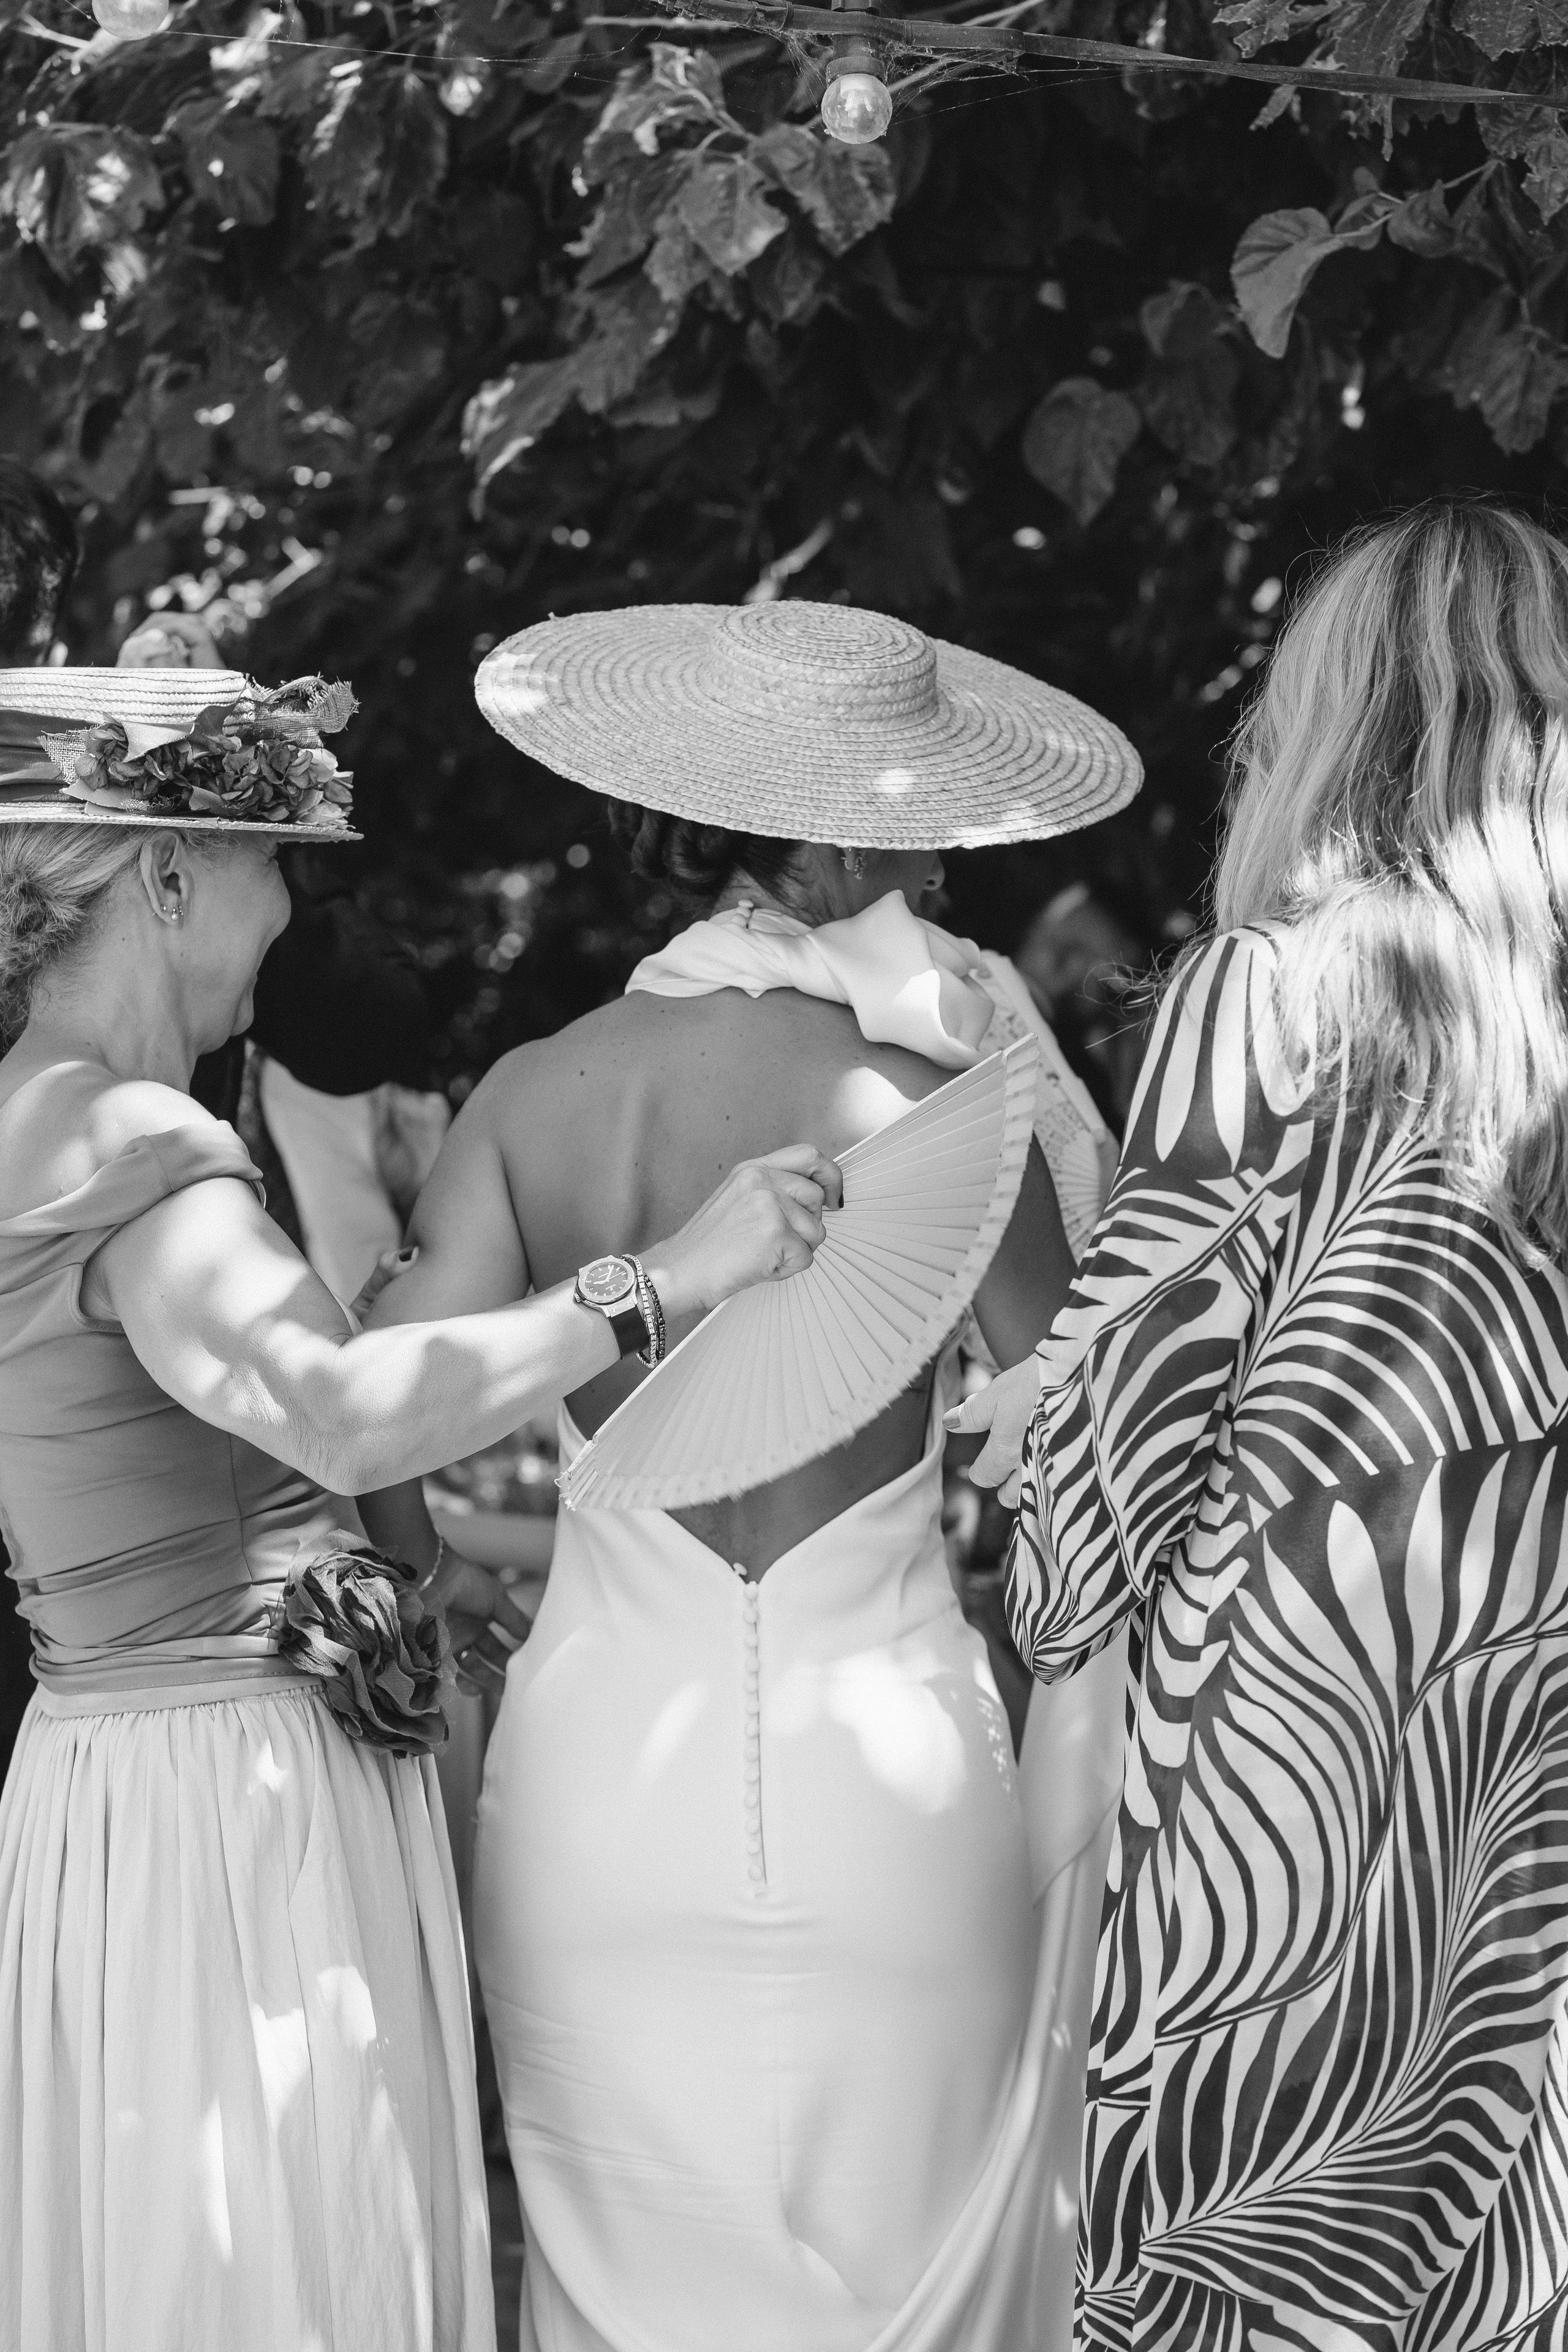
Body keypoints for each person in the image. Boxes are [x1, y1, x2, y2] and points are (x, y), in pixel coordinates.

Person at [0, 662, 839, 2352]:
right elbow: (340, 1412)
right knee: (282, 2270)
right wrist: (662, 1282)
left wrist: (428, 1576)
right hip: (226, 1811)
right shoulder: (139, 1142)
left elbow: (200, 1467)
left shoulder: (33, 1115)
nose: (290, 904)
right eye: (271, 863)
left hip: (108, 1771)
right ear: (166, 875)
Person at [357, 599, 1140, 2352]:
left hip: (593, 1790)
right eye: (917, 823)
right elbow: (1085, 1429)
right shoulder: (953, 1103)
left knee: (616, 2287)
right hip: (898, 1796)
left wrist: (428, 1582)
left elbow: (377, 1411)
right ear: (832, 833)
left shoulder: (535, 1094)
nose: (939, 865)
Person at [959, 499, 1568, 2350]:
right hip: (1528, 1726)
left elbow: (1132, 1432)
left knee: (1260, 2247)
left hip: (1280, 1755)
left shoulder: (1265, 988)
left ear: (1328, 719)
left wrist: (1037, 1522)